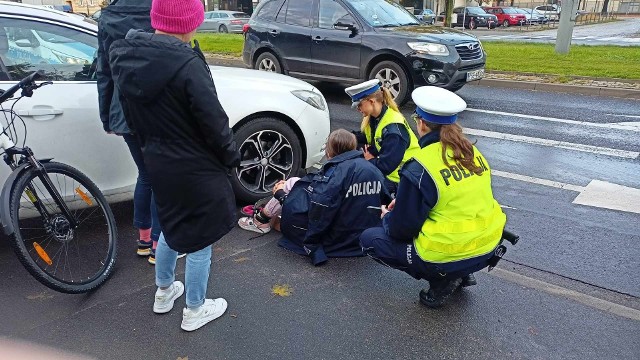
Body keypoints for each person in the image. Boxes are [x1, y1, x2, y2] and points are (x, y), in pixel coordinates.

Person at [109, 0, 241, 331]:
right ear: (188, 23)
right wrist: (230, 157)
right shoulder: (187, 64)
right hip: (195, 165)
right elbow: (213, 121)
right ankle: (195, 309)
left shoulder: (125, 57)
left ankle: (164, 292)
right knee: (200, 237)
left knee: (170, 224)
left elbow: (130, 114)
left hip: (156, 158)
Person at [359, 86, 507, 308]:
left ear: (421, 124)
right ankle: (462, 273)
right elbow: (453, 198)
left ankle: (442, 280)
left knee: (370, 239)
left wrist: (387, 216)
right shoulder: (471, 152)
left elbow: (402, 229)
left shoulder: (420, 166)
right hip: (488, 247)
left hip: (447, 253)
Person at [239, 129, 388, 266]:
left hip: (335, 236)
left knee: (288, 187)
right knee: (293, 183)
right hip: (359, 236)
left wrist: (281, 196)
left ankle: (261, 220)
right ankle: (269, 217)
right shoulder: (371, 169)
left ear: (330, 151)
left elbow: (318, 212)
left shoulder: (334, 174)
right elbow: (385, 200)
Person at [96, 0, 165, 263]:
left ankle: (144, 240)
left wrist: (107, 117)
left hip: (122, 111)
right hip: (156, 109)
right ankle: (159, 245)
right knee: (161, 175)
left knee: (146, 174)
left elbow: (103, 72)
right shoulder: (160, 9)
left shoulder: (108, 17)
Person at [346, 80, 420, 195]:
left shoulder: (393, 130)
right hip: (389, 169)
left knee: (354, 190)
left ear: (371, 101)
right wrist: (345, 138)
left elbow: (385, 166)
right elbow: (368, 137)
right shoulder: (376, 117)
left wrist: (369, 161)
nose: (358, 109)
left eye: (359, 104)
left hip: (399, 180)